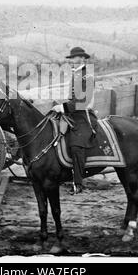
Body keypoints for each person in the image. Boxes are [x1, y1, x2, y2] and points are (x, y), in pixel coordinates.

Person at [52, 47, 97, 195]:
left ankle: (78, 183)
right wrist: (61, 105)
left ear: (82, 58)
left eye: (74, 58)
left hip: (83, 116)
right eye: (71, 58)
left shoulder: (87, 76)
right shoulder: (75, 75)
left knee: (76, 146)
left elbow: (83, 102)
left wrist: (63, 107)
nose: (71, 61)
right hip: (73, 114)